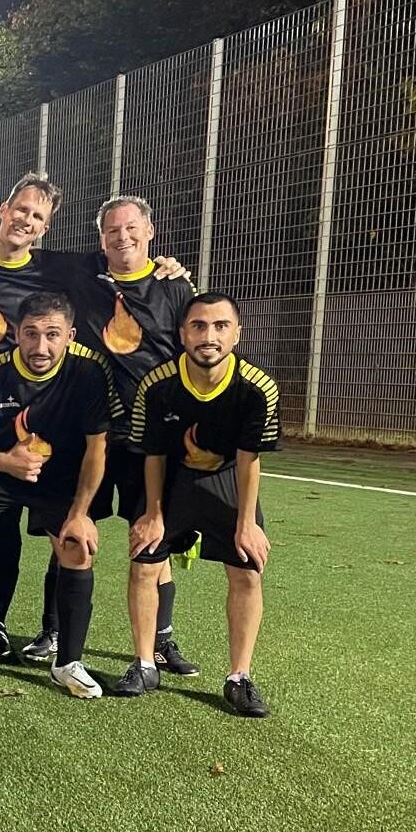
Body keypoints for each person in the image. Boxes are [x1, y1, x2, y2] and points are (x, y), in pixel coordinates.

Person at [0, 192, 198, 672]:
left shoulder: (175, 287)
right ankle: (53, 629)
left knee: (151, 535)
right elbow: (20, 245)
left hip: (153, 439)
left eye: (130, 229)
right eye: (112, 231)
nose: (122, 237)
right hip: (89, 430)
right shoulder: (80, 273)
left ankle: (162, 638)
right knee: (67, 530)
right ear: (100, 239)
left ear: (150, 232)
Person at [0, 293, 118, 699]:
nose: (40, 346)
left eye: (52, 335)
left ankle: (67, 662)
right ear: (16, 333)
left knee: (77, 548)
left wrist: (81, 512)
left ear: (69, 335)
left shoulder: (88, 374)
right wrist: (2, 461)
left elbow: (97, 448)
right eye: (31, 334)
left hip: (57, 478)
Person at [124, 293, 280, 717]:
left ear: (237, 333)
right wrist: (153, 514)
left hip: (227, 480)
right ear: (182, 334)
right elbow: (153, 455)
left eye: (220, 326)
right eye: (198, 326)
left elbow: (249, 460)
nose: (208, 336)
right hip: (172, 480)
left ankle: (239, 677)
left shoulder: (257, 387)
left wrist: (246, 523)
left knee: (248, 570)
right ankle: (143, 664)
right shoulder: (157, 385)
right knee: (143, 560)